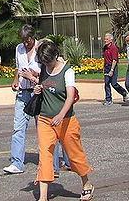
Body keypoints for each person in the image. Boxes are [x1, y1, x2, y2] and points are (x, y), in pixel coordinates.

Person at [32, 39, 95, 201]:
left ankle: (86, 183)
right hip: (45, 119)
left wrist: (60, 115)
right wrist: (38, 89)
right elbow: (43, 86)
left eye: (49, 62)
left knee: (74, 155)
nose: (47, 65)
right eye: (44, 62)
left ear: (55, 56)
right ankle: (43, 197)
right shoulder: (44, 68)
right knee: (45, 155)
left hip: (66, 120)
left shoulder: (67, 71)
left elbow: (70, 96)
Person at [3, 24, 40, 174]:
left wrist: (34, 74)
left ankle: (51, 160)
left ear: (33, 37)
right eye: (23, 40)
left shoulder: (40, 47)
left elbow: (48, 70)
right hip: (23, 92)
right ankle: (17, 163)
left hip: (37, 92)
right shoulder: (19, 49)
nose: (26, 43)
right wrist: (16, 80)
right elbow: (19, 68)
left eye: (28, 40)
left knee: (43, 128)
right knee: (18, 128)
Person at [102, 33, 128, 106]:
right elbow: (105, 58)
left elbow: (114, 60)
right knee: (106, 83)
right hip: (106, 67)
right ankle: (108, 99)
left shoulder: (114, 48)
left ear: (111, 40)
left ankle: (123, 92)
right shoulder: (105, 48)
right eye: (105, 39)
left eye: (107, 39)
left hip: (112, 67)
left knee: (114, 84)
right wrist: (104, 67)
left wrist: (112, 70)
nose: (105, 40)